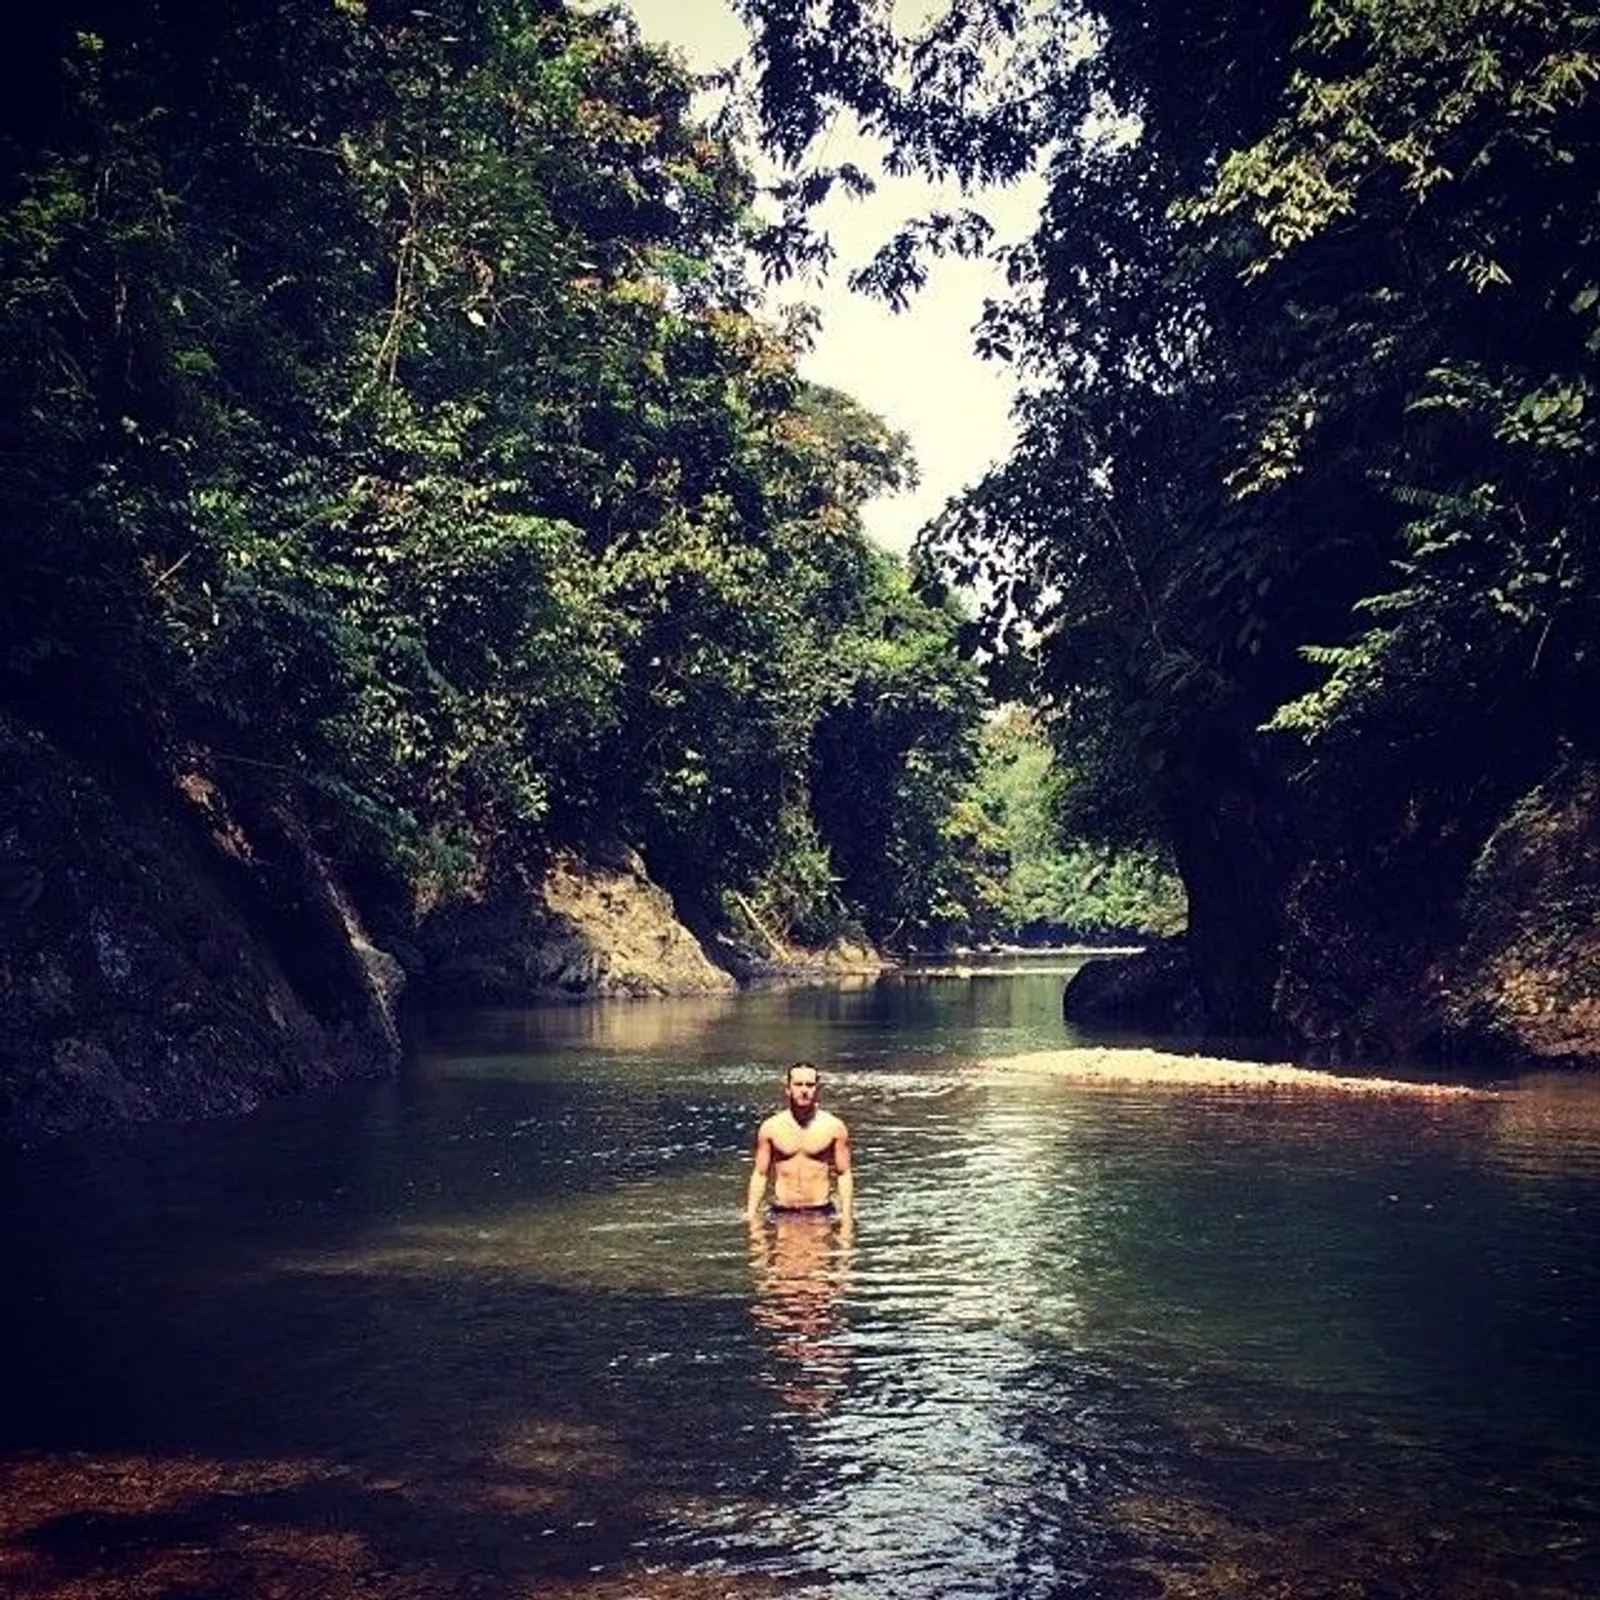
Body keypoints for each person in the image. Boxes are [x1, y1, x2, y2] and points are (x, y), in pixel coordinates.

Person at [745, 1061, 854, 1222]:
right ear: (788, 1088)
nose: (804, 1090)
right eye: (798, 1084)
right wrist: (751, 1214)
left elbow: (844, 1174)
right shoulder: (771, 1128)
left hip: (820, 1210)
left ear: (817, 1089)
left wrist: (847, 1216)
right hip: (782, 1210)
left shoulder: (834, 1127)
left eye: (810, 1085)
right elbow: (760, 1174)